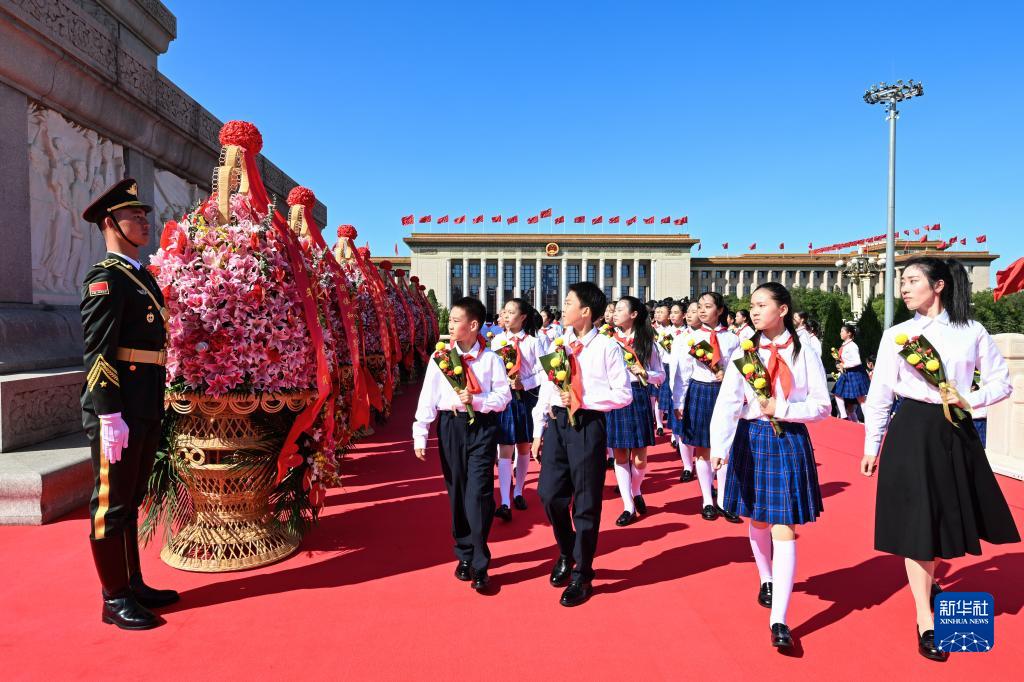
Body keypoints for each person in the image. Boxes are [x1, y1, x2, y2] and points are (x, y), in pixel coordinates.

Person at [860, 256, 1018, 662]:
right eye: (902, 281)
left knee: (946, 516)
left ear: (939, 285)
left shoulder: (971, 331)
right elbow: (880, 394)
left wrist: (971, 399)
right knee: (918, 523)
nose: (904, 288)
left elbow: (1001, 382)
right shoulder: (899, 335)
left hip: (957, 429)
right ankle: (925, 619)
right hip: (912, 430)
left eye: (912, 280)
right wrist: (872, 445)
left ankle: (929, 583)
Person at [80, 178, 178, 630]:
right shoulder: (106, 279)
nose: (143, 221)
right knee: (111, 504)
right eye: (133, 215)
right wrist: (108, 413)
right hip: (118, 408)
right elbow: (99, 352)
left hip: (144, 402)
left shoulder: (139, 277)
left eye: (143, 215)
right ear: (109, 223)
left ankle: (132, 583)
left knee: (132, 498)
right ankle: (113, 598)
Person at [710, 282, 830, 650]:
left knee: (784, 525)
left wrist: (785, 409)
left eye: (762, 305)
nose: (754, 311)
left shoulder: (804, 352)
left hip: (788, 437)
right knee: (759, 519)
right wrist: (720, 446)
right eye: (752, 305)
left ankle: (779, 618)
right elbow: (729, 401)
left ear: (783, 309)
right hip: (751, 438)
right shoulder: (745, 351)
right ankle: (766, 577)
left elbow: (822, 405)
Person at [531, 282, 631, 607]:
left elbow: (623, 394)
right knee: (549, 494)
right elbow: (548, 386)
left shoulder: (607, 347)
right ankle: (567, 549)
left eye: (568, 302)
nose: (563, 308)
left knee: (586, 503)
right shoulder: (558, 343)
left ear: (586, 311)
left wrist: (582, 398)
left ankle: (583, 573)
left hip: (588, 424)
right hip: (558, 423)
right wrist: (538, 429)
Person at [413, 297, 512, 592]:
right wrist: (420, 431)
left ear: (473, 325)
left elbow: (503, 397)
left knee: (478, 492)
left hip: (482, 427)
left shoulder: (491, 359)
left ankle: (481, 563)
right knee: (457, 490)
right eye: (451, 320)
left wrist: (477, 400)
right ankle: (465, 553)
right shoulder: (441, 357)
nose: (450, 324)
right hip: (451, 426)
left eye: (456, 320)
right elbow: (428, 395)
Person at [671, 292, 741, 522]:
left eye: (707, 306)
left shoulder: (732, 339)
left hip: (724, 393)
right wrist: (679, 401)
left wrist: (728, 378)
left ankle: (723, 500)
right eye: (699, 306)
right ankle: (707, 500)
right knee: (702, 448)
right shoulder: (689, 338)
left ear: (719, 310)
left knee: (724, 448)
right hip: (699, 391)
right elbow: (682, 373)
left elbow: (739, 370)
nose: (702, 310)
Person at [608, 296, 665, 526]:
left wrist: (645, 374)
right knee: (620, 454)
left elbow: (660, 375)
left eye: (620, 309)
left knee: (640, 460)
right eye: (614, 309)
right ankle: (627, 505)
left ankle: (636, 489)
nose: (615, 313)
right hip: (616, 397)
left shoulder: (647, 343)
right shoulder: (608, 341)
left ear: (634, 314)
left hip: (638, 395)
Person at [491, 298, 543, 520]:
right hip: (505, 399)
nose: (505, 316)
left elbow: (544, 372)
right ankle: (504, 501)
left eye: (511, 312)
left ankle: (518, 491)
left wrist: (525, 383)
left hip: (526, 398)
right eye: (504, 312)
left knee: (523, 446)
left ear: (523, 317)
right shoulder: (497, 341)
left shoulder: (533, 342)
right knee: (504, 447)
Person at [832, 324, 870, 422]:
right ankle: (844, 416)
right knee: (837, 392)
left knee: (861, 399)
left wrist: (844, 365)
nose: (840, 333)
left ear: (849, 333)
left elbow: (857, 361)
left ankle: (869, 421)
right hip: (847, 374)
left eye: (842, 331)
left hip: (855, 374)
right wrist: (839, 364)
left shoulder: (852, 346)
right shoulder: (845, 345)